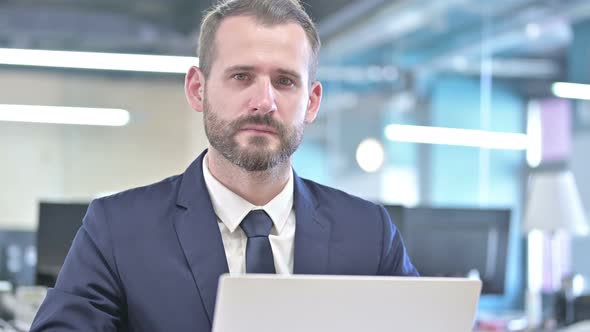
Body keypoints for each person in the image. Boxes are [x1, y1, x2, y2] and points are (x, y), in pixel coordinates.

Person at [30, 0, 418, 330]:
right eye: (241, 76)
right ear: (198, 89)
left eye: (284, 81)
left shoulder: (370, 234)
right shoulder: (117, 229)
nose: (264, 101)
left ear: (312, 102)